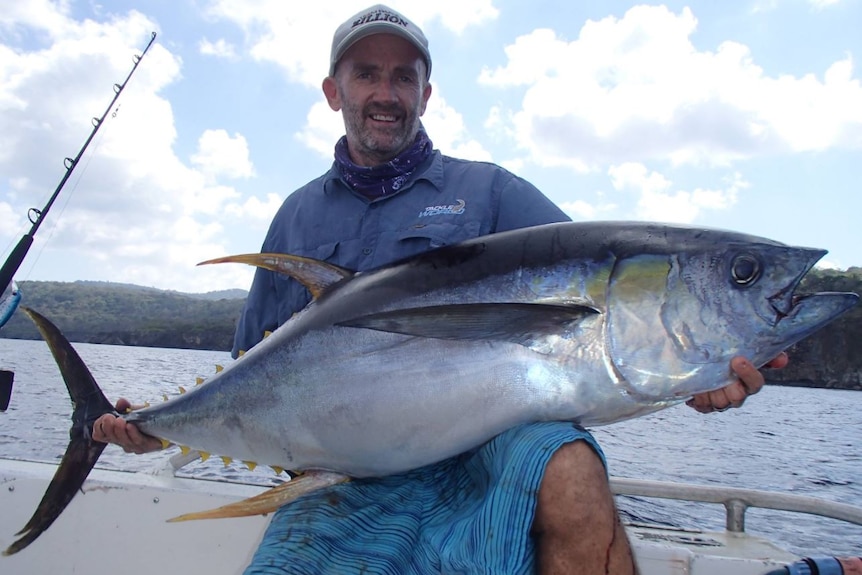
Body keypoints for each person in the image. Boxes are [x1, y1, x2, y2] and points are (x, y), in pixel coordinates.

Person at [95, 5, 788, 574]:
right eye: (367, 75)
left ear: (426, 93)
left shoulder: (490, 192)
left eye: (405, 77)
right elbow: (254, 365)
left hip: (481, 453)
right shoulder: (298, 215)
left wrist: (692, 372)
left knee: (572, 468)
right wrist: (155, 426)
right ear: (335, 91)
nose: (386, 94)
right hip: (342, 467)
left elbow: (608, 309)